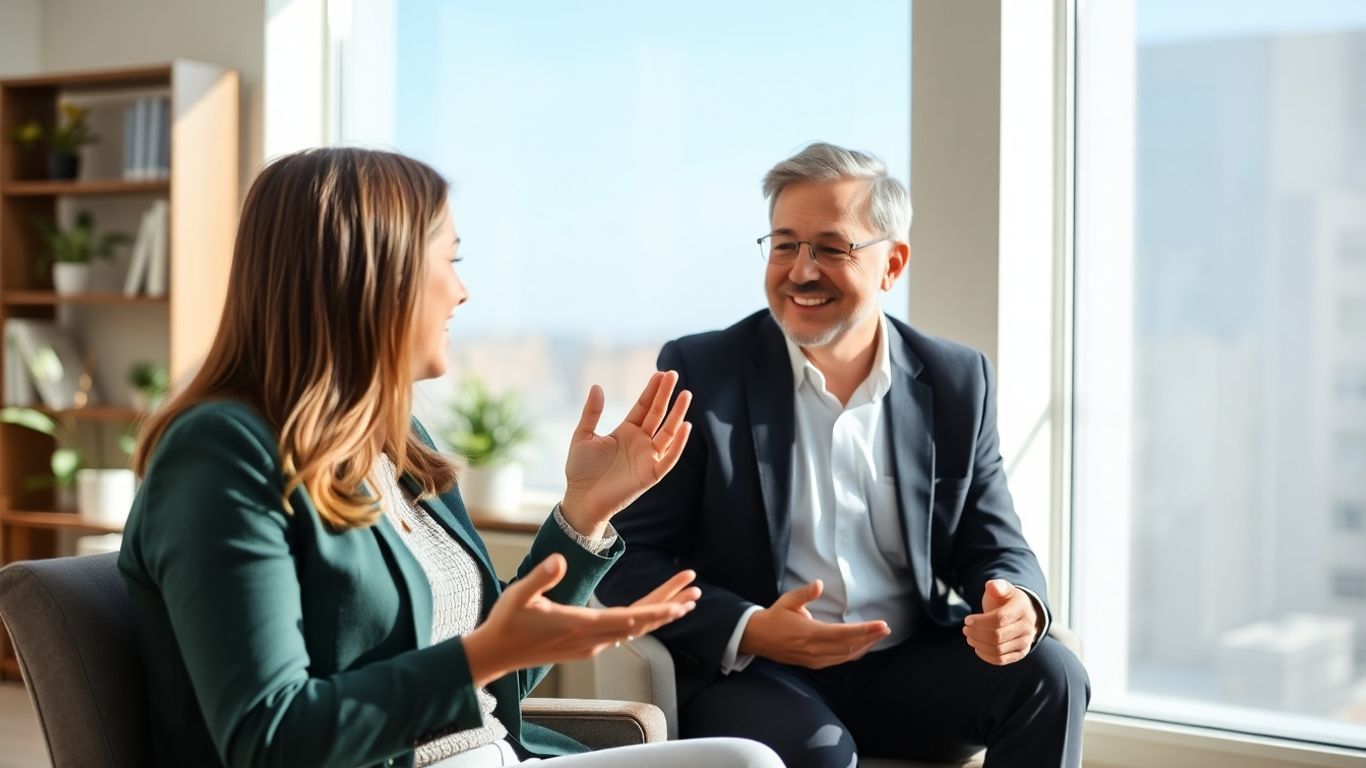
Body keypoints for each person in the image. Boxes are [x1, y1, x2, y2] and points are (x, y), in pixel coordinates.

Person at [117, 148, 782, 768]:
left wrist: (586, 510)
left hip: (494, 756)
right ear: (372, 272)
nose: (463, 294)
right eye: (451, 261)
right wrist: (479, 656)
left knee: (747, 761)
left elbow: (498, 679)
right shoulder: (220, 454)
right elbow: (267, 736)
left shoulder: (399, 440)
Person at [596, 142, 1090, 768]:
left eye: (831, 248)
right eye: (784, 245)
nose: (801, 271)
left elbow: (992, 539)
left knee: (1054, 675)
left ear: (892, 264)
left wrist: (1017, 599)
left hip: (908, 669)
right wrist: (750, 626)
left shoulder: (957, 379)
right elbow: (627, 556)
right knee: (817, 754)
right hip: (761, 675)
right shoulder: (703, 371)